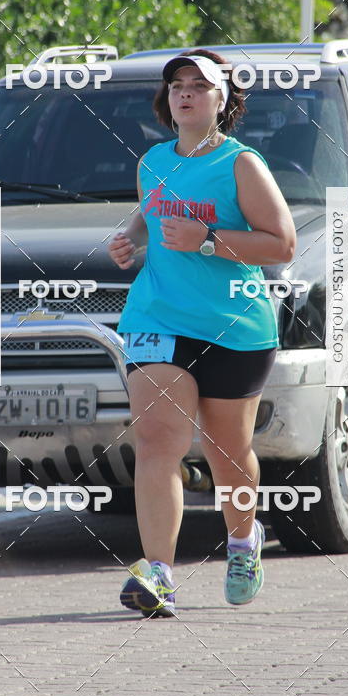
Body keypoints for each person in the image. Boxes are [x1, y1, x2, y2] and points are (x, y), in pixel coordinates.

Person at [108, 49, 296, 617]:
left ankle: (243, 541)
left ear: (223, 100)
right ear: (167, 100)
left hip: (234, 326)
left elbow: (282, 244)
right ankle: (158, 575)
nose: (185, 92)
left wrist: (208, 240)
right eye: (176, 85)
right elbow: (151, 213)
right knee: (157, 441)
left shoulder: (242, 165)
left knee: (227, 453)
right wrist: (131, 238)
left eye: (199, 84)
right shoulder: (152, 161)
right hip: (158, 318)